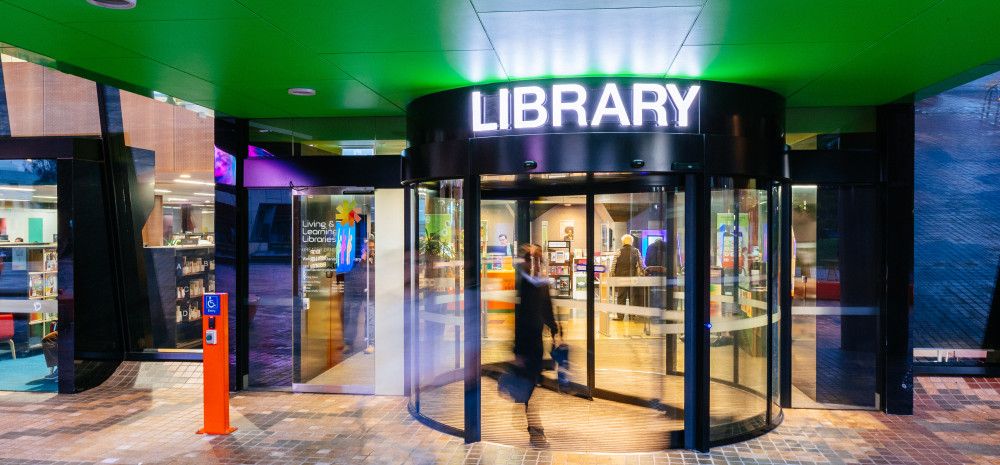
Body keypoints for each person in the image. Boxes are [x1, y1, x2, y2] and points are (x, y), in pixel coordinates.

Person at [512, 244, 560, 447]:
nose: (537, 264)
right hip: (526, 340)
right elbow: (521, 315)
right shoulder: (525, 284)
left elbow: (547, 307)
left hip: (537, 340)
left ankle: (530, 418)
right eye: (533, 260)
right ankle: (533, 424)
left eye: (539, 260)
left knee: (533, 380)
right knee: (531, 381)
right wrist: (517, 349)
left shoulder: (540, 283)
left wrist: (555, 329)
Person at [610, 234, 646, 318]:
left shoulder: (618, 251)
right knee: (632, 296)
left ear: (623, 242)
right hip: (632, 276)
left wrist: (612, 274)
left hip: (621, 277)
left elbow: (613, 264)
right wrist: (643, 271)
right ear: (631, 242)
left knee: (621, 296)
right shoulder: (636, 251)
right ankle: (632, 315)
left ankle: (620, 316)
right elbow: (641, 264)